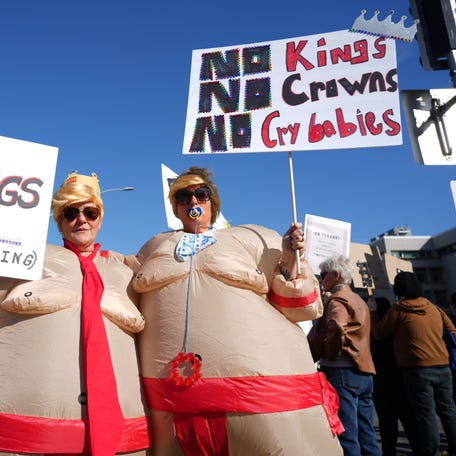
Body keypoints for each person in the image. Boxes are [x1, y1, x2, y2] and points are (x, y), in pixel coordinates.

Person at [128, 166, 343, 455]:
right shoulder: (154, 247)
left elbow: (300, 306)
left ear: (212, 203)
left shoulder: (253, 238)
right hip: (171, 402)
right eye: (183, 197)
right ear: (175, 207)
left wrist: (292, 259)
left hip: (258, 400)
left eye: (201, 195)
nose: (193, 202)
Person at [0, 172, 151, 455]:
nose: (81, 219)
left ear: (100, 218)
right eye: (71, 212)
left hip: (123, 432)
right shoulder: (30, 258)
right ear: (59, 220)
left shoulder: (125, 273)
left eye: (90, 212)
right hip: (32, 434)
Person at [370, 271, 456, 456]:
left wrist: (374, 315)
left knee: (427, 415)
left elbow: (379, 334)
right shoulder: (434, 308)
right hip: (443, 365)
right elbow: (452, 331)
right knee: (448, 411)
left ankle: (430, 452)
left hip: (416, 369)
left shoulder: (399, 309)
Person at [307, 255, 381, 456]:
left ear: (336, 275)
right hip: (363, 370)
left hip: (341, 370)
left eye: (323, 274)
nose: (321, 279)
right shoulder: (359, 299)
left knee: (347, 434)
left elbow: (337, 327)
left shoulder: (337, 299)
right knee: (367, 432)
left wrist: (330, 353)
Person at [370, 296, 419, 456]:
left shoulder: (374, 330)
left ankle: (389, 452)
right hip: (402, 377)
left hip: (382, 380)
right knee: (410, 420)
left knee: (387, 423)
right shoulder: (398, 328)